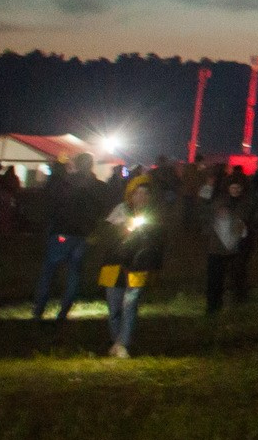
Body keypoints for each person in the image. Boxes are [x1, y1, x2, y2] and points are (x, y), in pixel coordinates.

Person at [32, 152, 111, 322]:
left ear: (76, 164)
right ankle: (64, 311)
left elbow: (52, 201)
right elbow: (102, 208)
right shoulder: (97, 186)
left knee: (49, 271)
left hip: (62, 231)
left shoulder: (66, 182)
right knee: (74, 273)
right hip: (83, 234)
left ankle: (39, 309)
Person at [95, 178, 167, 357]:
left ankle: (123, 344)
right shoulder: (120, 210)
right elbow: (106, 234)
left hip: (138, 266)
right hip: (114, 265)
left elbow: (158, 243)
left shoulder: (154, 215)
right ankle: (116, 342)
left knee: (130, 304)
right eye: (137, 193)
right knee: (114, 307)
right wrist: (121, 228)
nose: (141, 197)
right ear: (131, 194)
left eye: (145, 193)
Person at [203, 179, 249, 313]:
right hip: (216, 248)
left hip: (233, 248)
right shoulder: (219, 201)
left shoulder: (244, 203)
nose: (236, 190)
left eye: (238, 188)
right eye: (233, 187)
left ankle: (236, 300)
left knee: (235, 276)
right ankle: (213, 305)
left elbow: (246, 222)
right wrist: (208, 186)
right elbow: (204, 205)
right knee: (214, 278)